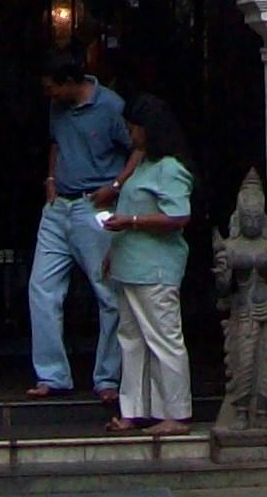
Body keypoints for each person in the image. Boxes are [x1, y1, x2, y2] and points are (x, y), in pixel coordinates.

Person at [28, 53, 129, 399]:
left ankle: (107, 378)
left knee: (108, 293)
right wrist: (51, 179)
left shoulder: (112, 106)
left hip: (93, 204)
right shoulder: (59, 107)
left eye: (52, 88)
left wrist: (115, 187)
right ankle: (52, 375)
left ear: (70, 82)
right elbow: (56, 142)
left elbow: (136, 149)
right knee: (41, 288)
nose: (49, 95)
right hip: (59, 205)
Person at [100, 96, 196, 433]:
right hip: (131, 264)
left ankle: (176, 413)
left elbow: (178, 214)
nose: (130, 134)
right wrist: (113, 251)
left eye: (133, 128)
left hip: (155, 268)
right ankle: (135, 409)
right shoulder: (142, 165)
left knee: (163, 338)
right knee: (131, 338)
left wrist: (133, 220)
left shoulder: (170, 167)